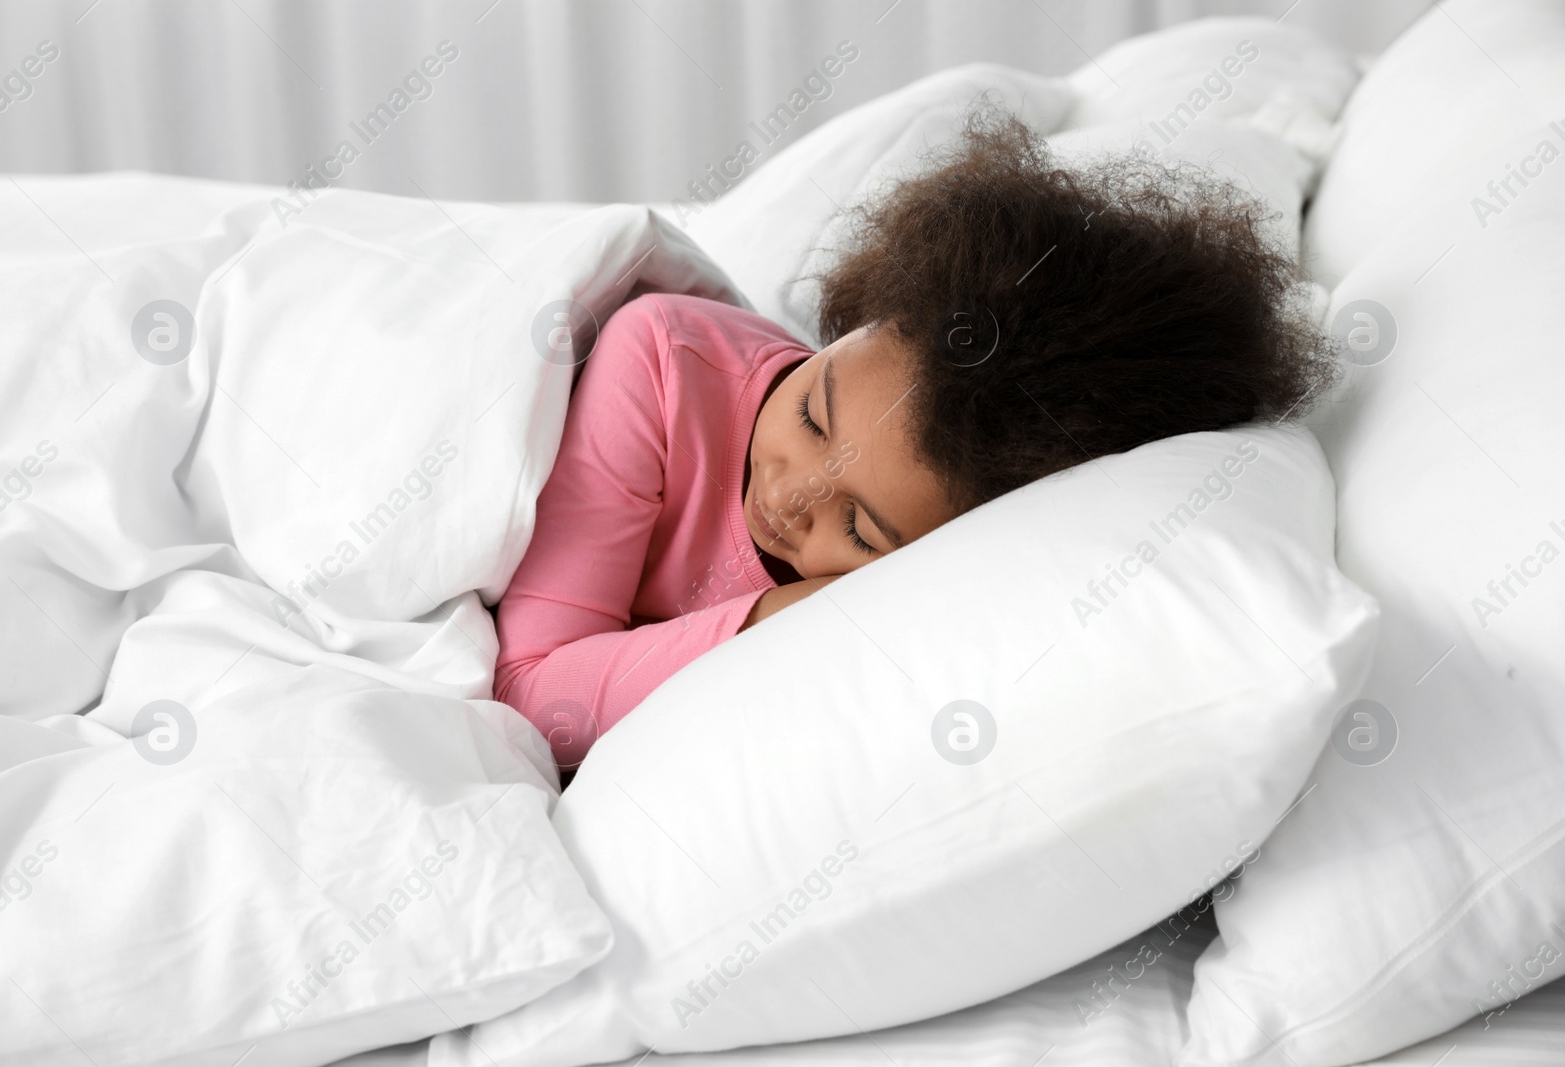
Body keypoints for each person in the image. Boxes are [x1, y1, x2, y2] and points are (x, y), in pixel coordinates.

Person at [492, 104, 1337, 777]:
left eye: (860, 529)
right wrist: (764, 618)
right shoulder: (667, 362)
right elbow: (531, 694)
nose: (788, 498)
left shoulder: (915, 598)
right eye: (812, 414)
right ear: (864, 317)